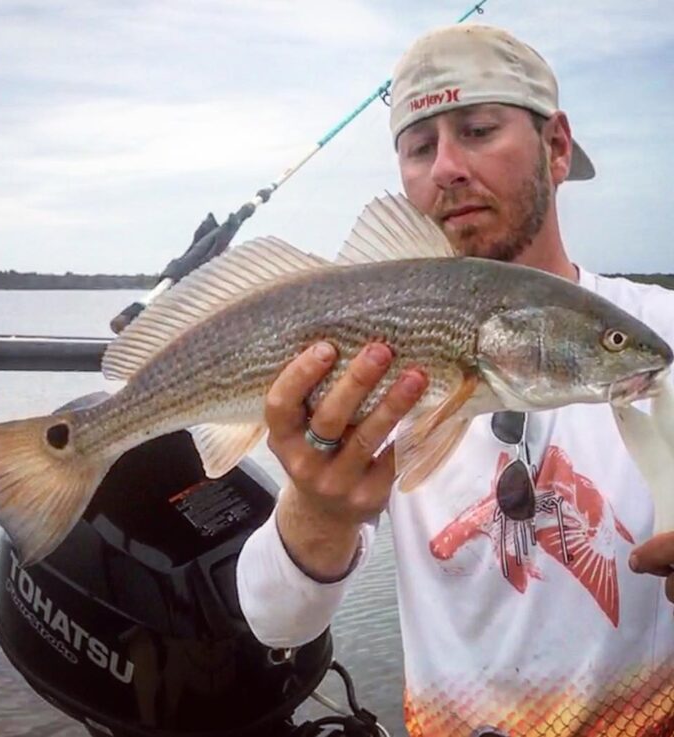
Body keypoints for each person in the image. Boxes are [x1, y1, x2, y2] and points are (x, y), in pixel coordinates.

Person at [235, 23, 674, 737]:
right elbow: (274, 619)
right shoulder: (381, 361)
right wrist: (320, 508)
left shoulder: (659, 335)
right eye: (418, 147)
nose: (446, 168)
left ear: (556, 147)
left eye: (477, 129)